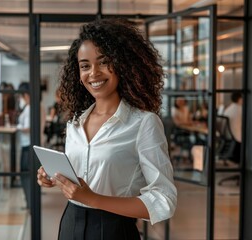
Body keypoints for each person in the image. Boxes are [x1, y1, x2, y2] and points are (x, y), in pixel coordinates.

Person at [37, 18, 177, 239]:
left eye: (103, 62)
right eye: (85, 65)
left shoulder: (143, 123)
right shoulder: (75, 122)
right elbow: (83, 175)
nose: (93, 73)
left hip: (113, 229)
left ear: (123, 64)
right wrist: (53, 176)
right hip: (70, 225)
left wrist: (93, 199)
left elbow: (164, 200)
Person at [16, 82, 31, 209]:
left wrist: (17, 127)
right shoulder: (29, 107)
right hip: (26, 145)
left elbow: (28, 128)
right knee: (26, 176)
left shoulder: (30, 108)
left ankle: (30, 204)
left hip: (27, 146)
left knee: (25, 176)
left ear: (25, 95)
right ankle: (29, 203)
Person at [223, 92, 242, 162]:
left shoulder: (228, 108)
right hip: (237, 136)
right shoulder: (241, 109)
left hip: (229, 135)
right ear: (240, 99)